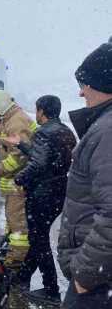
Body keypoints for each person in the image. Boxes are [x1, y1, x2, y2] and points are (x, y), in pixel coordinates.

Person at [1, 95, 76, 306]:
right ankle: (23, 277)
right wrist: (23, 145)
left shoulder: (43, 132)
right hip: (58, 191)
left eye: (37, 109)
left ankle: (51, 289)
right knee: (39, 237)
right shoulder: (65, 131)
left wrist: (20, 178)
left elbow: (39, 163)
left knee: (39, 241)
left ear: (41, 111)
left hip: (42, 194)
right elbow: (48, 156)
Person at [58, 41, 112, 308]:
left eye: (84, 84)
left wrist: (87, 274)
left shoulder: (107, 131)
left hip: (97, 281)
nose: (81, 93)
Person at [0, 90, 36, 270]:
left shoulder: (16, 122)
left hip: (19, 182)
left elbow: (19, 156)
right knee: (12, 220)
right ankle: (12, 251)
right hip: (15, 182)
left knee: (17, 224)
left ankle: (15, 262)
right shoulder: (9, 119)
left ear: (0, 107)